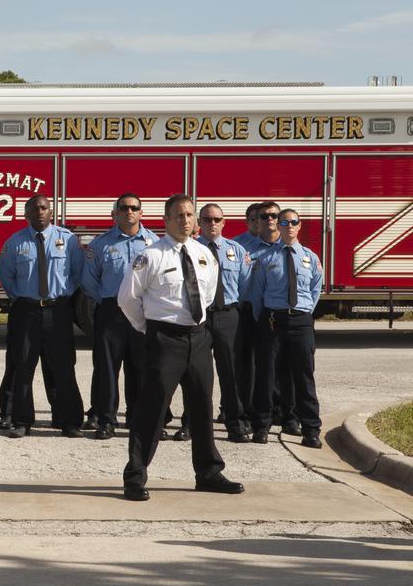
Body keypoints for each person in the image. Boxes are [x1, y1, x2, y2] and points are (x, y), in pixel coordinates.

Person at [117, 193, 246, 502]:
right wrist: (148, 328)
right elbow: (127, 299)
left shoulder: (204, 254)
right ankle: (135, 476)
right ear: (165, 220)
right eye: (178, 215)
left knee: (202, 407)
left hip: (199, 338)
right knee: (152, 409)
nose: (185, 221)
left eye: (189, 215)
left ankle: (208, 472)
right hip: (165, 340)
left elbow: (209, 292)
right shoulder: (151, 256)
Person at [0, 195, 85, 438]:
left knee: (63, 367)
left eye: (44, 207)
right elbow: (6, 276)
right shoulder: (15, 243)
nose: (40, 212)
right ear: (26, 214)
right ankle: (22, 421)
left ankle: (68, 421)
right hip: (26, 311)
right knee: (23, 365)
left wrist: (61, 297)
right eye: (34, 208)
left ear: (51, 211)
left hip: (58, 311)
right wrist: (25, 299)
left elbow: (77, 274)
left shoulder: (67, 240)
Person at [81, 193, 158, 440]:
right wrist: (111, 300)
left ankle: (139, 419)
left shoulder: (154, 244)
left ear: (141, 213)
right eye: (123, 208)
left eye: (134, 208)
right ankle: (106, 420)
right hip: (111, 313)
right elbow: (89, 281)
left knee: (142, 368)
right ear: (115, 213)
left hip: (142, 312)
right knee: (106, 368)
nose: (129, 212)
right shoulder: (100, 244)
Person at [245, 208, 324, 448]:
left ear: (299, 226)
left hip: (300, 322)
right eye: (284, 222)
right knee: (266, 376)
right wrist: (269, 317)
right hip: (272, 321)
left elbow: (314, 291)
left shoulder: (311, 258)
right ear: (278, 227)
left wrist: (301, 314)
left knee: (304, 377)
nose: (289, 225)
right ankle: (262, 425)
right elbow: (256, 294)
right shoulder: (267, 259)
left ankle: (311, 429)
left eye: (294, 222)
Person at [196, 203, 253, 442]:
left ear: (224, 222)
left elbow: (245, 284)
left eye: (216, 219)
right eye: (207, 219)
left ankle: (235, 423)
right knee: (196, 373)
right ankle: (193, 423)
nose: (212, 224)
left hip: (228, 314)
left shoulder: (236, 250)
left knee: (231, 372)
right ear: (199, 222)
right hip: (198, 316)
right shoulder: (188, 249)